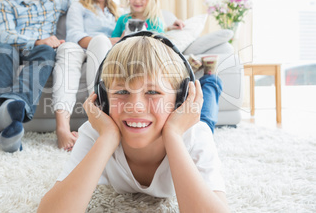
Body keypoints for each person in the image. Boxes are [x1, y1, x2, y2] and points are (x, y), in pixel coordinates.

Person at [37, 33, 229, 212]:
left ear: (180, 100)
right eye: (121, 92)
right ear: (103, 98)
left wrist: (173, 135)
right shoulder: (96, 132)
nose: (135, 107)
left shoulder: (195, 134)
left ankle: (211, 79)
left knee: (207, 115)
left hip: (184, 124)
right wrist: (108, 138)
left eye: (153, 92)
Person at [0, 0, 72, 152]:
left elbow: (86, 5)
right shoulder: (8, 4)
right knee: (0, 50)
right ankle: (9, 125)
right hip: (13, 50)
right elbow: (5, 35)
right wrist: (37, 40)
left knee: (46, 50)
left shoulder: (56, 2)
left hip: (41, 52)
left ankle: (7, 125)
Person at [51, 0, 121, 151]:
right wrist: (110, 40)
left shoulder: (116, 11)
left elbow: (142, 21)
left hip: (104, 50)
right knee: (67, 49)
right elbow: (74, 35)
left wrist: (171, 25)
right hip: (81, 46)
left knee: (100, 41)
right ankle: (62, 128)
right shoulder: (79, 6)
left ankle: (95, 121)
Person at [112, 0, 185, 38]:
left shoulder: (155, 22)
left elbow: (160, 45)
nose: (137, 1)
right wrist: (121, 39)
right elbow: (112, 43)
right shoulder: (122, 20)